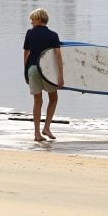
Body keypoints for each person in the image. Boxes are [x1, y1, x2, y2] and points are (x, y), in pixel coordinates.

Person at [23, 8, 63, 142]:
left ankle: (37, 134)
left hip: (33, 69)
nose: (31, 22)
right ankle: (46, 127)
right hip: (47, 71)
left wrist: (26, 71)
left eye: (32, 19)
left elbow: (26, 54)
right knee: (53, 98)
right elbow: (58, 56)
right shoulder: (53, 35)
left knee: (37, 102)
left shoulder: (29, 33)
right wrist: (60, 76)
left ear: (39, 19)